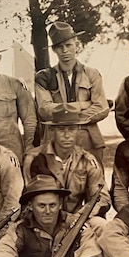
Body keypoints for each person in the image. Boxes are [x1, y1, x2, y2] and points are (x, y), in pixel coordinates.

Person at [33, 22, 110, 166]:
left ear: (76, 44)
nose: (65, 51)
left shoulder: (92, 74)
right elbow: (45, 110)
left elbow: (101, 108)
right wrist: (81, 105)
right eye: (59, 47)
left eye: (68, 45)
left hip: (88, 137)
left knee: (94, 181)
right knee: (57, 182)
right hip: (56, 140)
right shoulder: (45, 77)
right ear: (54, 50)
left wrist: (67, 116)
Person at [24, 111, 110, 217]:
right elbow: (26, 198)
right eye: (61, 129)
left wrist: (80, 216)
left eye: (71, 129)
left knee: (101, 225)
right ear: (52, 130)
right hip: (43, 219)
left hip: (77, 217)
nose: (66, 135)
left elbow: (102, 198)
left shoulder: (87, 160)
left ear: (78, 130)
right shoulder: (34, 158)